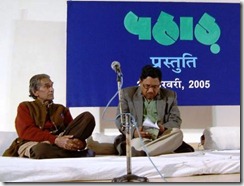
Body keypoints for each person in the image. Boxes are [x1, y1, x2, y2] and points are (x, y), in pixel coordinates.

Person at [3, 74, 96, 159]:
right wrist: (55, 140)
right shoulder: (25, 106)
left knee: (87, 117)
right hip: (35, 142)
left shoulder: (61, 109)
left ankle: (68, 150)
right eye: (47, 86)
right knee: (41, 150)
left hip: (60, 140)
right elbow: (26, 132)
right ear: (35, 92)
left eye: (52, 86)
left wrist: (80, 142)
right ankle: (78, 154)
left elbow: (72, 130)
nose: (51, 89)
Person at [113, 65, 194, 156]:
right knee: (136, 144)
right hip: (138, 138)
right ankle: (158, 149)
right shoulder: (127, 94)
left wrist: (163, 128)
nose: (151, 90)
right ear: (140, 81)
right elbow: (120, 120)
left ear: (160, 84)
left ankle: (143, 152)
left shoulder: (170, 96)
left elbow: (175, 120)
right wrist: (134, 132)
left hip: (161, 136)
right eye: (147, 86)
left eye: (155, 87)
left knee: (177, 133)